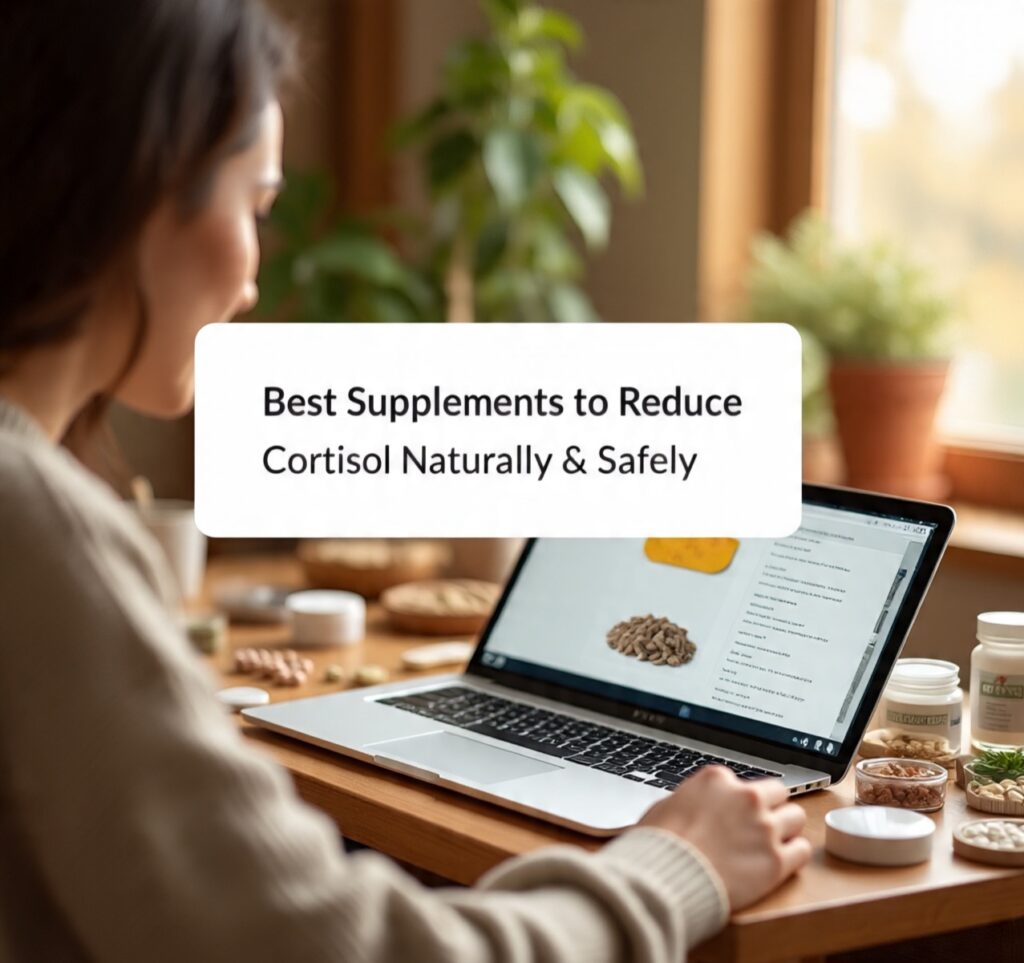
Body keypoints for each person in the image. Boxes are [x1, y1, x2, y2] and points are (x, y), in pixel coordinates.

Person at [0, 2, 812, 961]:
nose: (254, 279)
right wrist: (676, 864)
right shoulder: (37, 526)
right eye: (256, 207)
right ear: (142, 182)